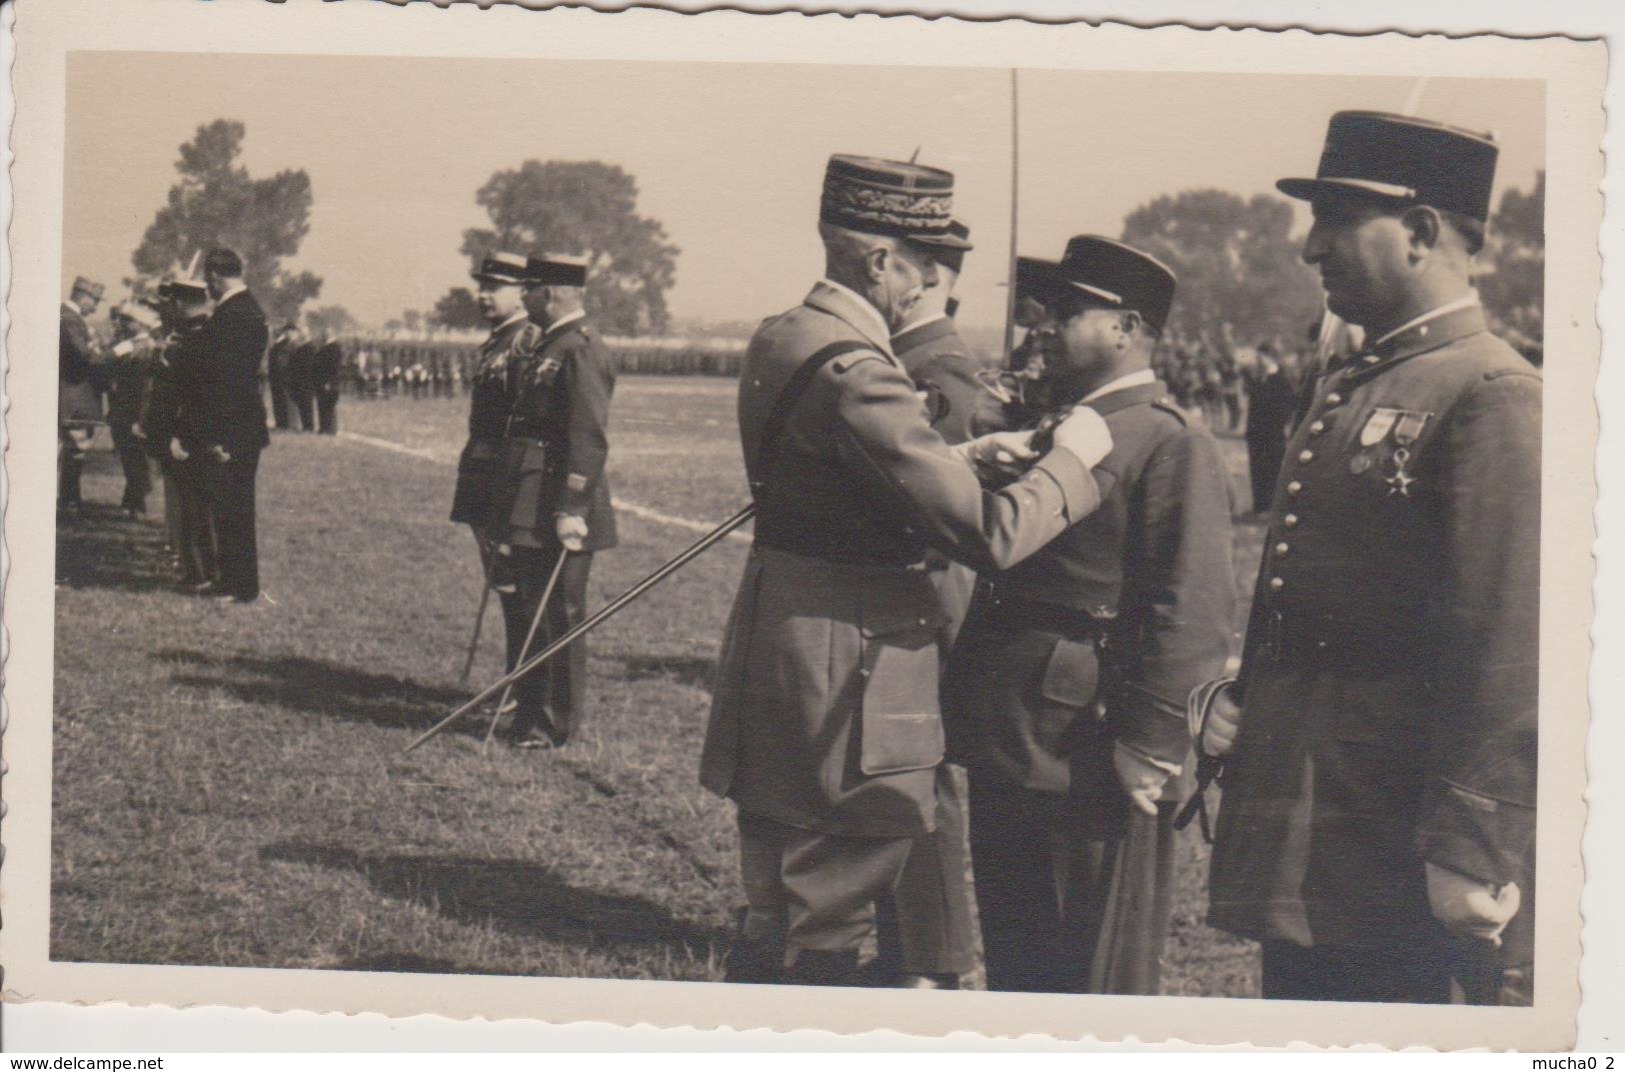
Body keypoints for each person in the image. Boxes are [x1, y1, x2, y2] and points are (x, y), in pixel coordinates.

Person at [700, 154, 1115, 987]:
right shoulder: (863, 373)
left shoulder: (785, 335)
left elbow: (828, 480)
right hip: (849, 666)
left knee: (774, 894)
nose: (928, 287)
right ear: (879, 260)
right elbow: (989, 533)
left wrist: (958, 452)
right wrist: (1071, 463)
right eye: (922, 268)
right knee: (831, 908)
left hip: (777, 638)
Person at [1200, 111, 1540, 1005]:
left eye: (1338, 222)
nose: (1312, 249)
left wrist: (1473, 844)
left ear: (1421, 233)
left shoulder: (1488, 390)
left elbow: (1505, 643)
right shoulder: (1359, 381)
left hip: (1399, 831)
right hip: (1317, 811)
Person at [945, 235, 1236, 994]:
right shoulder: (1061, 426)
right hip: (1014, 730)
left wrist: (1150, 742)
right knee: (1019, 958)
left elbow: (1193, 608)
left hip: (1092, 747)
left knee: (1093, 974)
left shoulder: (1168, 439)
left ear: (1125, 327)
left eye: (1068, 311)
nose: (1043, 326)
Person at [481, 253, 620, 750]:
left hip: (560, 504)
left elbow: (587, 437)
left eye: (530, 288)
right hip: (531, 496)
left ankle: (553, 723)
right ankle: (529, 713)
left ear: (554, 294)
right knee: (535, 608)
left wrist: (573, 508)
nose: (522, 296)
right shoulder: (548, 343)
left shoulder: (580, 348)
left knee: (558, 613)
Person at [451, 252, 548, 716]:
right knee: (502, 581)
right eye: (481, 285)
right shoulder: (499, 341)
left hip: (503, 478)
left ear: (522, 291)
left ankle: (522, 686)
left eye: (495, 286)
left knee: (516, 583)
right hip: (482, 472)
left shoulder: (527, 341)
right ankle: (517, 683)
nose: (483, 295)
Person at [179, 248, 271, 603]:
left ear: (216, 276)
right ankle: (229, 579)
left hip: (234, 429)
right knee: (227, 507)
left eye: (208, 280)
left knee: (235, 509)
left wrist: (222, 437)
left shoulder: (237, 315)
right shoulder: (239, 311)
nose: (207, 287)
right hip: (237, 427)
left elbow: (229, 383)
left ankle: (241, 586)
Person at [59, 276, 110, 514]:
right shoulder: (70, 320)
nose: (96, 307)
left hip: (72, 395)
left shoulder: (70, 319)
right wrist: (117, 352)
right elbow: (84, 358)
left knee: (73, 449)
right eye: (95, 301)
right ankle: (69, 500)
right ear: (83, 296)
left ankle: (70, 498)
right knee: (74, 448)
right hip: (73, 395)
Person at [106, 301, 161, 518]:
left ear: (141, 324)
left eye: (129, 320)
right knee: (130, 457)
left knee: (136, 458)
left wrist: (141, 416)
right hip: (123, 409)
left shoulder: (145, 347)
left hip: (135, 410)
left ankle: (136, 503)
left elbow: (145, 387)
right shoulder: (129, 344)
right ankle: (132, 500)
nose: (123, 324)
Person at [1243, 342, 1300, 514]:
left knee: (1271, 470)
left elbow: (1285, 407)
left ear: (1269, 358)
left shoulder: (1281, 380)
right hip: (1256, 434)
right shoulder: (1260, 378)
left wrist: (1275, 426)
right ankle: (1259, 505)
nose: (1258, 361)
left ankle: (1269, 507)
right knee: (1257, 469)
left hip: (1271, 434)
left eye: (1260, 357)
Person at [266, 323, 300, 431]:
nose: (287, 333)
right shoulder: (281, 344)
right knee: (279, 400)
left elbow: (295, 363)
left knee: (288, 402)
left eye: (290, 331)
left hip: (288, 377)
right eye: (286, 331)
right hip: (278, 376)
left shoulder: (296, 345)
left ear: (295, 332)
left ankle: (291, 425)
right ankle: (281, 423)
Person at [313, 334, 344, 434]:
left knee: (327, 406)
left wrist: (328, 382)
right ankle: (324, 428)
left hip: (328, 381)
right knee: (323, 405)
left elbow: (333, 368)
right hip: (323, 381)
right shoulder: (326, 347)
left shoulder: (334, 348)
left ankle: (328, 429)